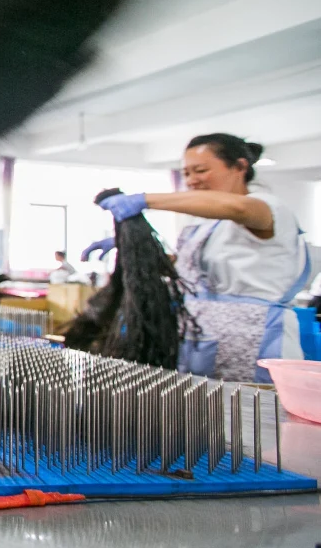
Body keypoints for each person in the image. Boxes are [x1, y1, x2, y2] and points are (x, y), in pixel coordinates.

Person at [92, 133, 310, 383]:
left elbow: (238, 208)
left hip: (256, 338)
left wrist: (145, 200)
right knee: (204, 414)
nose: (192, 180)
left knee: (251, 415)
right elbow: (188, 268)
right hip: (200, 338)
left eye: (201, 170)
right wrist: (132, 247)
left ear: (240, 166)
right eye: (186, 173)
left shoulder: (266, 206)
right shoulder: (203, 223)